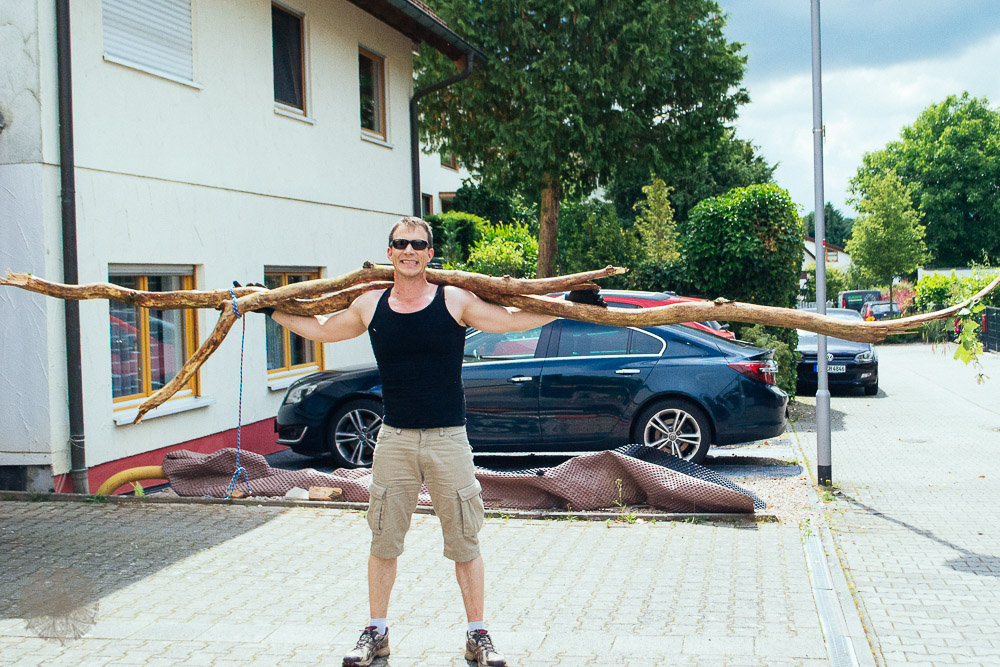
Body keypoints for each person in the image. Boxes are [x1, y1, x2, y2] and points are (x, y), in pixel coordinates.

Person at [267, 216, 575, 667]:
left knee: (465, 539)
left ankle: (477, 634)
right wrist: (269, 308)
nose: (409, 251)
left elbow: (511, 320)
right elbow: (322, 329)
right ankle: (377, 632)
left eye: (418, 244)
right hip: (393, 440)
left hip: (449, 438)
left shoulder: (454, 300)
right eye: (400, 243)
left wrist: (570, 304)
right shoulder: (371, 305)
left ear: (430, 253)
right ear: (389, 253)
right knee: (383, 538)